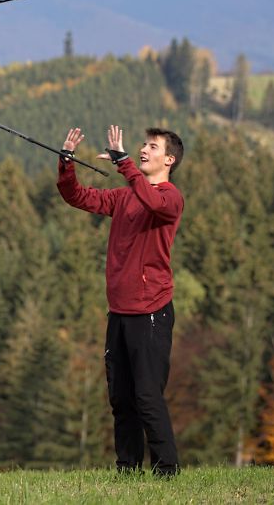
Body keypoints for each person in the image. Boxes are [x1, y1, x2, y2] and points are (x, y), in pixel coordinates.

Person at [56, 124, 184, 476]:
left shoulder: (170, 198)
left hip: (151, 312)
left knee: (147, 396)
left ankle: (166, 469)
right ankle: (127, 469)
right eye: (143, 145)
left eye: (152, 147)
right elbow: (77, 196)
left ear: (169, 159)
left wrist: (124, 163)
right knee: (121, 399)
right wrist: (67, 162)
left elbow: (153, 200)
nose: (144, 150)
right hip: (119, 312)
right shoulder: (125, 196)